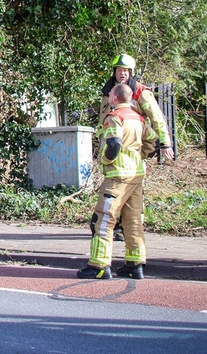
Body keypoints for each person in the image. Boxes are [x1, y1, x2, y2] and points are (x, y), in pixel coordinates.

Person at [78, 82, 159, 280]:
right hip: (136, 176)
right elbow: (153, 141)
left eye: (110, 96)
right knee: (133, 221)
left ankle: (98, 265)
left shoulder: (115, 117)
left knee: (103, 219)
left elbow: (113, 145)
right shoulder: (139, 118)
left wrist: (105, 160)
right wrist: (141, 155)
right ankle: (135, 264)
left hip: (117, 176)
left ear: (114, 98)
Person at [98, 53, 174, 242]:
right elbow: (104, 122)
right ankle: (117, 227)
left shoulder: (141, 92)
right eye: (119, 70)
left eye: (125, 71)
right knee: (113, 193)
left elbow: (157, 117)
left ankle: (130, 228)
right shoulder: (108, 92)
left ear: (131, 73)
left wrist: (164, 143)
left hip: (133, 151)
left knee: (131, 194)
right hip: (113, 152)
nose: (122, 73)